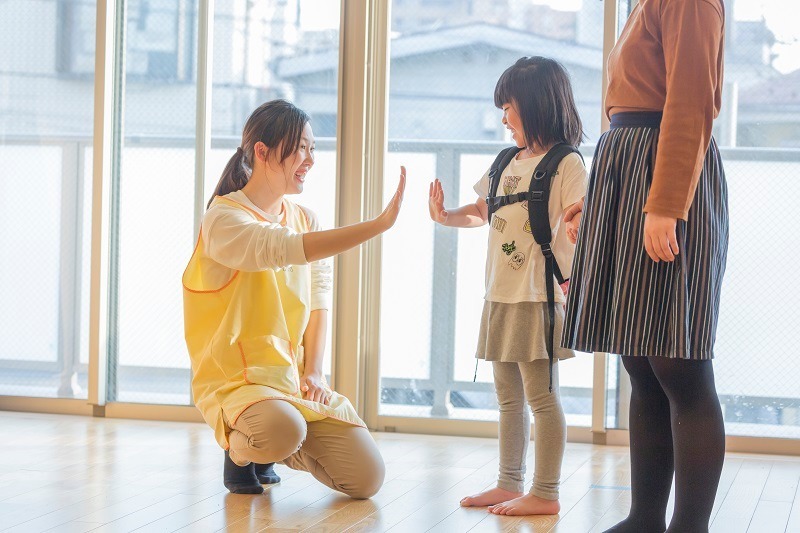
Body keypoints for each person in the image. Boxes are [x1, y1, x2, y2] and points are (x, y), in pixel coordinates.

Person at [183, 99, 406, 497]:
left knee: (366, 478)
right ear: (262, 152)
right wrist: (377, 225)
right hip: (239, 381)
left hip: (291, 379)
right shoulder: (224, 219)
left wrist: (315, 371)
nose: (310, 159)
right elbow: (283, 248)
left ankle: (277, 441)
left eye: (312, 148)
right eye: (300, 147)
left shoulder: (305, 217)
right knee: (282, 429)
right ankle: (241, 450)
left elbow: (319, 300)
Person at [562, 1, 728, 531]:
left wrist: (666, 205)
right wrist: (602, 196)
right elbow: (630, 108)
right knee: (640, 360)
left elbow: (690, 103)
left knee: (678, 362)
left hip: (664, 177)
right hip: (632, 170)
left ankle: (688, 526)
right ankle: (645, 519)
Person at [428, 57, 588, 516]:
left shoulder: (567, 162)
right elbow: (482, 211)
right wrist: (445, 216)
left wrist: (581, 224)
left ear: (536, 104)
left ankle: (547, 491)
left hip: (538, 296)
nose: (503, 117)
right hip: (498, 295)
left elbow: (581, 211)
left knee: (542, 397)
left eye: (508, 107)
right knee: (507, 397)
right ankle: (508, 482)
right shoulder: (505, 162)